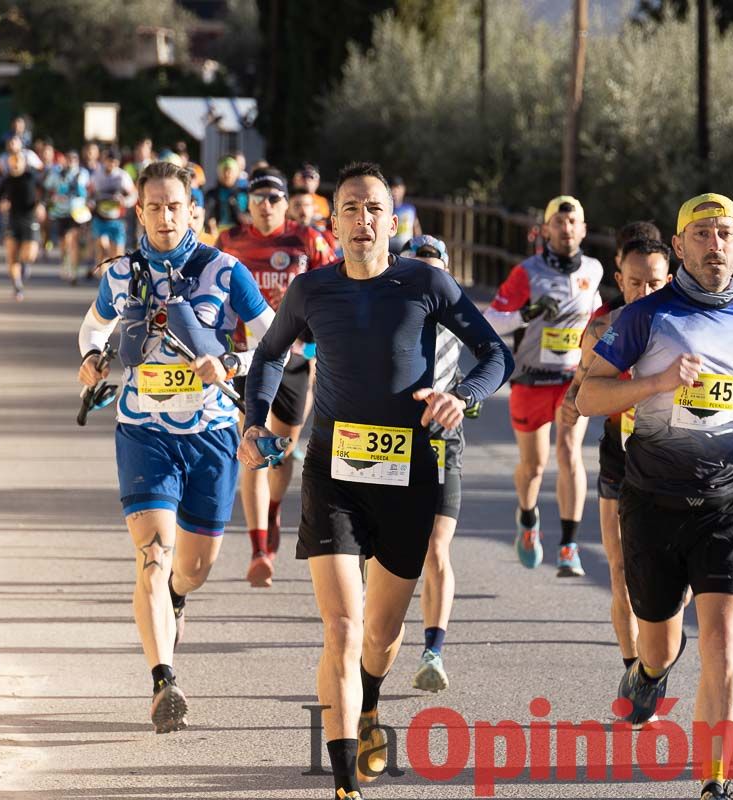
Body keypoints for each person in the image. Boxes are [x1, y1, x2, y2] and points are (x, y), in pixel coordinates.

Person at [238, 162, 511, 800]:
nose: (363, 220)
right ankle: (342, 784)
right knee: (342, 627)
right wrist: (257, 424)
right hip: (334, 473)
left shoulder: (426, 281)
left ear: (393, 221)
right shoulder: (311, 290)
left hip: (409, 476)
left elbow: (494, 354)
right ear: (334, 223)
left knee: (382, 637)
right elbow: (270, 355)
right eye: (351, 209)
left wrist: (461, 398)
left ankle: (369, 707)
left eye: (373, 209)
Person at [576, 193, 733, 800]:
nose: (714, 244)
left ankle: (716, 780)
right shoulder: (644, 319)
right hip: (651, 503)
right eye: (701, 234)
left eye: (725, 233)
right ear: (679, 247)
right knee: (662, 644)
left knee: (724, 643)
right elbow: (587, 396)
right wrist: (658, 382)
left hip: (729, 504)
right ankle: (647, 673)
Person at [76, 160, 274, 735]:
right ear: (139, 212)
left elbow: (275, 340)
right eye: (154, 206)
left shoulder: (225, 270)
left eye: (175, 206)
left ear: (194, 211)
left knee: (193, 568)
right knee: (152, 558)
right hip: (144, 432)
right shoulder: (120, 276)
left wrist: (230, 363)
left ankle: (178, 599)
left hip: (212, 436)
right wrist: (91, 360)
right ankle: (164, 682)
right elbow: (93, 330)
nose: (165, 216)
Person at [559, 223, 669, 678]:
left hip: (671, 459)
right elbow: (583, 376)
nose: (645, 290)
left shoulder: (686, 327)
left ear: (670, 279)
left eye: (655, 282)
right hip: (618, 455)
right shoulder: (604, 326)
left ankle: (655, 660)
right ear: (620, 280)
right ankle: (633, 671)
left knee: (669, 582)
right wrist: (570, 404)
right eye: (636, 281)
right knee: (620, 568)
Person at [215, 170, 334, 587]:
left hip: (297, 357)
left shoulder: (307, 240)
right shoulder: (229, 242)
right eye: (258, 197)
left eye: (273, 197)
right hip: (248, 360)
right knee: (252, 446)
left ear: (286, 202)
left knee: (280, 453)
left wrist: (321, 345)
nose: (265, 204)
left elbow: (334, 287)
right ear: (247, 203)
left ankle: (272, 510)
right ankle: (259, 548)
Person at [484, 195, 603, 576]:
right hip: (532, 378)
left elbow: (598, 317)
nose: (566, 229)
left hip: (571, 380)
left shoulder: (595, 270)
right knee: (533, 467)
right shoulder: (527, 273)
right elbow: (491, 321)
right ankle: (528, 516)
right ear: (547, 228)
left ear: (583, 229)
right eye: (559, 222)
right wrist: (527, 313)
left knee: (570, 452)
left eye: (573, 222)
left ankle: (569, 545)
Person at [396, 235, 470, 694]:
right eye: (417, 269)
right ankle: (371, 635)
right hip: (388, 445)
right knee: (379, 552)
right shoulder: (389, 315)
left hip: (443, 442)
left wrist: (466, 395)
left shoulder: (459, 314)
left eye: (435, 270)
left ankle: (433, 652)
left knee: (436, 548)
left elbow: (497, 346)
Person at [0, 153, 44, 301]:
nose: (15, 164)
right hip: (12, 220)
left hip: (30, 220)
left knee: (29, 255)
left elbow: (44, 193)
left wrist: (41, 205)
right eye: (12, 161)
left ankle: (25, 264)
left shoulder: (31, 178)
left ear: (23, 163)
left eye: (18, 161)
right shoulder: (6, 181)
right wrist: (0, 205)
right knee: (11, 255)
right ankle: (17, 285)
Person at [89, 148, 138, 277]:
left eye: (114, 162)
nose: (111, 165)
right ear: (104, 161)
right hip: (100, 217)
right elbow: (89, 193)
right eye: (109, 161)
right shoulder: (96, 175)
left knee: (116, 255)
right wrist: (90, 202)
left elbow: (133, 195)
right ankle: (103, 278)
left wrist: (125, 201)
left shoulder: (122, 176)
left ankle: (115, 278)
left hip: (117, 219)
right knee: (101, 246)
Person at [44, 149, 91, 284]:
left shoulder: (82, 173)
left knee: (73, 240)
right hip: (61, 212)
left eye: (73, 160)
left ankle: (74, 272)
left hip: (77, 213)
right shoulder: (56, 174)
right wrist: (53, 197)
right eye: (68, 159)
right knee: (64, 242)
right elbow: (48, 188)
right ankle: (65, 261)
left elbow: (85, 190)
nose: (71, 162)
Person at [204, 156, 248, 239]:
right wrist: (209, 224)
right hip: (217, 237)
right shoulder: (211, 194)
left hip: (240, 236)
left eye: (230, 171)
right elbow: (206, 215)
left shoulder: (244, 194)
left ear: (236, 173)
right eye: (224, 171)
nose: (227, 174)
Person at [388, 176, 422, 255]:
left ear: (403, 189)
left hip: (407, 249)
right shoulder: (385, 209)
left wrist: (419, 244)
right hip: (389, 249)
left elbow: (416, 227)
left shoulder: (410, 209)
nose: (395, 191)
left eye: (397, 188)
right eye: (392, 188)